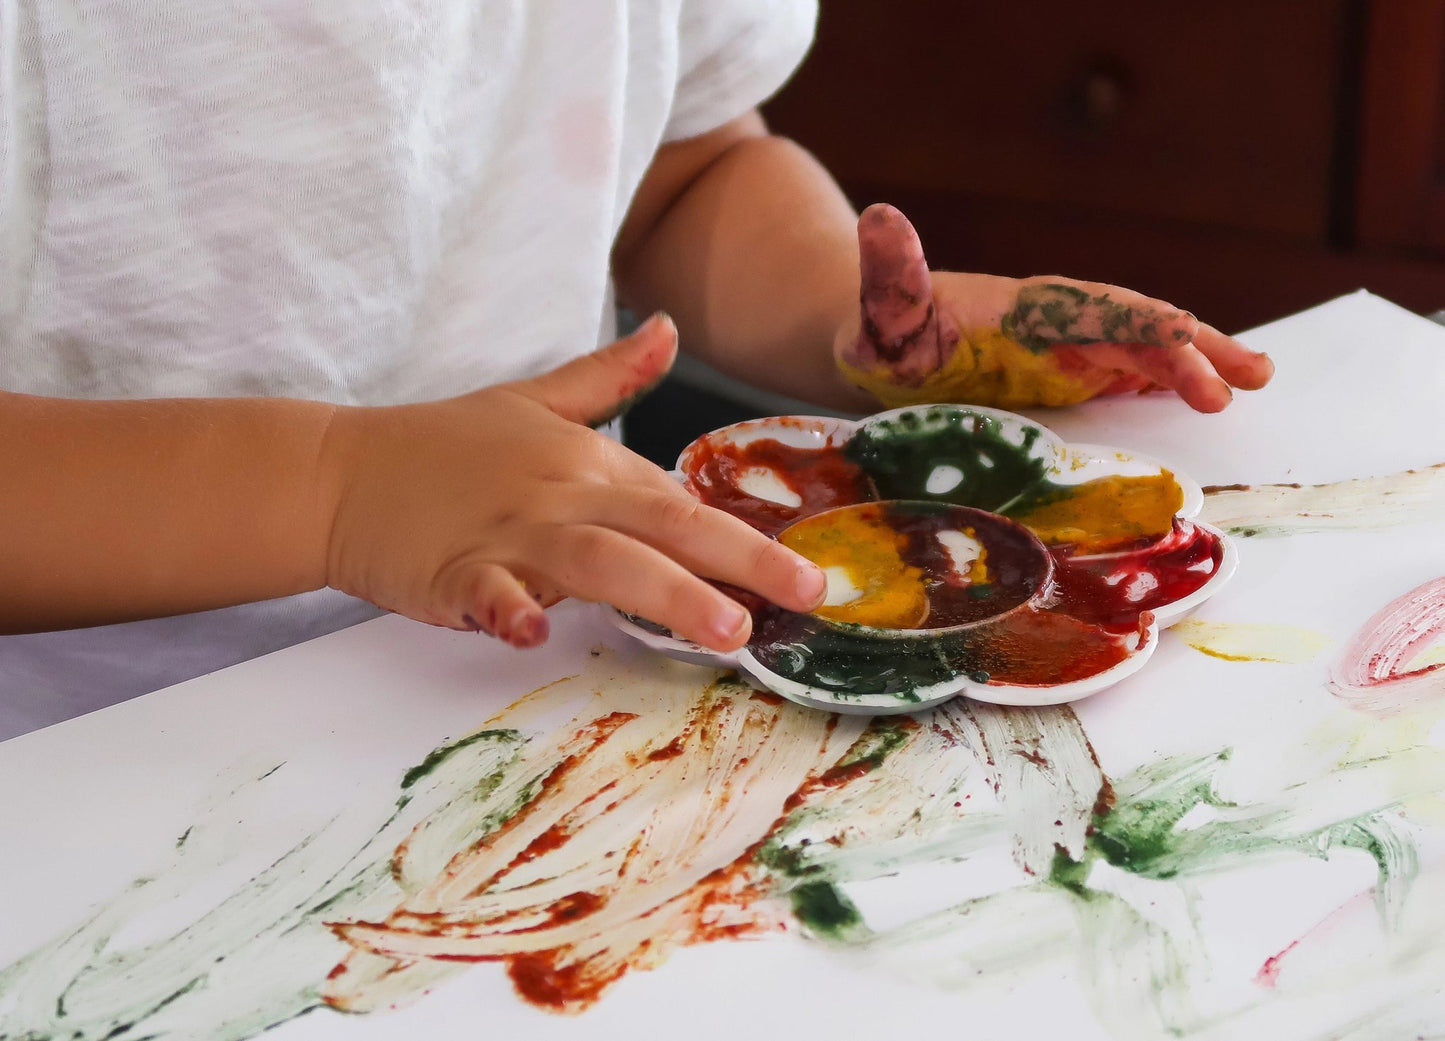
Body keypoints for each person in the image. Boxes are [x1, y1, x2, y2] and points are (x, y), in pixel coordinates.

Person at [0, 1, 1271, 737]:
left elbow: (679, 164)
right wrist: (337, 489)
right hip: (86, 751)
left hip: (556, 669)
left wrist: (848, 316)